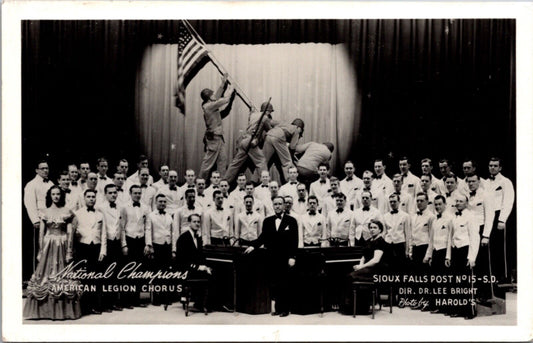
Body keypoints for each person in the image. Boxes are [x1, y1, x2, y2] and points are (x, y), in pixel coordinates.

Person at [23, 186, 82, 320]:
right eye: (53, 194)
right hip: (49, 244)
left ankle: (63, 309)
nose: (56, 196)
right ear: (50, 196)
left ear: (61, 196)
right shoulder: (44, 211)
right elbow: (41, 233)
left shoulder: (66, 211)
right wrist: (40, 250)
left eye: (58, 194)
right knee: (45, 274)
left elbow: (71, 230)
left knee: (63, 273)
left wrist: (69, 249)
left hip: (62, 243)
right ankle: (44, 311)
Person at [244, 196, 299, 317]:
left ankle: (285, 309)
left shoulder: (292, 221)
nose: (278, 206)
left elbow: (294, 241)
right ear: (273, 206)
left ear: (284, 205)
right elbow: (263, 237)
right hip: (272, 257)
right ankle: (278, 308)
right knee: (275, 283)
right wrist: (253, 246)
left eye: (280, 204)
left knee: (285, 283)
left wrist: (292, 257)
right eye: (275, 204)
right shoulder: (267, 221)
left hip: (285, 257)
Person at [342, 220, 388, 315]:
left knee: (350, 276)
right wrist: (359, 266)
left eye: (375, 228)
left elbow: (376, 260)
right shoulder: (368, 241)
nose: (372, 230)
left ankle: (361, 308)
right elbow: (363, 256)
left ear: (380, 230)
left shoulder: (380, 241)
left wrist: (361, 267)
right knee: (347, 274)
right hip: (367, 268)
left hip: (376, 270)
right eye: (370, 227)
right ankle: (352, 307)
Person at [72, 189, 107, 315]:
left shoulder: (100, 215)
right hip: (82, 247)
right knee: (84, 277)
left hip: (96, 248)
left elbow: (103, 234)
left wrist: (103, 251)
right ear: (84, 198)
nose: (91, 199)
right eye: (89, 197)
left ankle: (95, 305)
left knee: (96, 278)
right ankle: (84, 306)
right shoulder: (77, 214)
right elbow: (73, 233)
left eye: (93, 197)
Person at [224, 103, 273, 184]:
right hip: (251, 141)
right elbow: (270, 130)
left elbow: (251, 118)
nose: (270, 114)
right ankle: (266, 184)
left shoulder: (253, 115)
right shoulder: (265, 118)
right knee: (261, 161)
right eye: (270, 112)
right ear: (267, 111)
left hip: (243, 140)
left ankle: (224, 182)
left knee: (235, 164)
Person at [198, 73, 235, 180]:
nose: (214, 95)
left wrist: (223, 84)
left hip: (218, 137)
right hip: (214, 137)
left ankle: (221, 184)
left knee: (222, 161)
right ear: (209, 98)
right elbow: (225, 99)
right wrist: (231, 88)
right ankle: (200, 181)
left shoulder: (209, 104)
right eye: (212, 94)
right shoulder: (209, 106)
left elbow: (216, 97)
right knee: (208, 163)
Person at [174, 214, 214, 311]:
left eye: (198, 222)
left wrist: (206, 266)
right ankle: (201, 304)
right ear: (189, 223)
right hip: (185, 270)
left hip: (193, 268)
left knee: (213, 272)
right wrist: (199, 267)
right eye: (194, 222)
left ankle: (202, 302)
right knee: (207, 275)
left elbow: (200, 256)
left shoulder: (198, 238)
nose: (197, 224)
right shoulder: (183, 238)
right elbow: (182, 260)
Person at [448, 194, 478, 319]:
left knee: (466, 283)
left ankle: (469, 311)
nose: (458, 203)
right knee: (456, 282)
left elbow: (475, 237)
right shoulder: (453, 217)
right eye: (457, 201)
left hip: (465, 250)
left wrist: (472, 257)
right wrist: (448, 256)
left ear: (466, 203)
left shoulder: (471, 217)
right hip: (455, 250)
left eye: (461, 201)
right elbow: (450, 237)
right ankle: (458, 309)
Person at [120, 185, 150, 308]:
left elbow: (147, 227)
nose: (137, 195)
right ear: (130, 193)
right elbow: (121, 228)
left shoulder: (145, 207)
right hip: (129, 240)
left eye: (139, 193)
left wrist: (148, 244)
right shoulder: (124, 207)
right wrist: (124, 245)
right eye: (135, 193)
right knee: (127, 271)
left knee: (138, 271)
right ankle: (126, 300)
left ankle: (136, 299)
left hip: (140, 241)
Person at [466, 174, 495, 302]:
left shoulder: (485, 195)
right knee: (473, 263)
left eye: (473, 181)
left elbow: (490, 215)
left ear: (479, 181)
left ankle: (486, 294)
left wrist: (486, 235)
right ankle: (476, 292)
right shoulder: (467, 195)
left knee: (483, 264)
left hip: (482, 229)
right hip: (470, 230)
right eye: (469, 181)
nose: (471, 183)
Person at [23, 160, 54, 282]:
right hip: (39, 221)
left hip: (51, 220)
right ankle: (36, 278)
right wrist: (35, 220)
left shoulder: (51, 183)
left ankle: (48, 276)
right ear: (36, 170)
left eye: (47, 168)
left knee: (49, 247)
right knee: (39, 249)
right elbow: (29, 203)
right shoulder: (31, 184)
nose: (45, 170)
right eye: (42, 168)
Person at [486, 157, 515, 283]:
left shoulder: (505, 181)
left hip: (500, 216)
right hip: (489, 215)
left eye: (495, 165)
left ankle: (505, 277)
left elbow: (508, 201)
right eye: (491, 165)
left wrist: (502, 219)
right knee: (492, 247)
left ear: (500, 168)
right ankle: (495, 276)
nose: (492, 167)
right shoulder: (486, 182)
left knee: (502, 248)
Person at [96, 184, 124, 312]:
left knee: (115, 274)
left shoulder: (120, 208)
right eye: (110, 193)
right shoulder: (100, 208)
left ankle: (113, 302)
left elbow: (122, 228)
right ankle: (105, 303)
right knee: (105, 274)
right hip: (105, 243)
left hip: (116, 243)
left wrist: (123, 244)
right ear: (105, 194)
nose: (113, 195)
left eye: (115, 192)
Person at [145, 194, 176, 306]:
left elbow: (173, 233)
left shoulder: (169, 216)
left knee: (166, 273)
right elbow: (148, 231)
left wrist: (173, 249)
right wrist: (149, 246)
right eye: (160, 201)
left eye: (164, 202)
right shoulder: (151, 216)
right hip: (156, 246)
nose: (162, 203)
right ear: (156, 203)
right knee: (157, 273)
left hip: (167, 246)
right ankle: (156, 298)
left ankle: (165, 297)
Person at [424, 195, 453, 313]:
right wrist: (429, 255)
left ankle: (444, 307)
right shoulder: (434, 219)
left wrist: (448, 256)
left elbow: (450, 239)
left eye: (440, 204)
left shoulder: (450, 219)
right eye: (435, 204)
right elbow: (431, 239)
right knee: (434, 281)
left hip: (444, 252)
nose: (437, 206)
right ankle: (435, 305)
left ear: (445, 204)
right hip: (435, 252)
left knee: (443, 282)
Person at [263, 118, 305, 183]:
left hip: (269, 135)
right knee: (287, 163)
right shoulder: (297, 129)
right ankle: (290, 182)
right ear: (300, 127)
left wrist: (272, 131)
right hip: (279, 138)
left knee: (263, 162)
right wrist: (291, 156)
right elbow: (292, 147)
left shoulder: (283, 123)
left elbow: (266, 121)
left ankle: (257, 181)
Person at [382, 193, 411, 273]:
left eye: (394, 201)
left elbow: (407, 234)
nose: (392, 203)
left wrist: (408, 250)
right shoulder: (385, 216)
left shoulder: (405, 216)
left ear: (399, 202)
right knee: (389, 268)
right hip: (388, 245)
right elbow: (384, 233)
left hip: (400, 245)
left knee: (400, 268)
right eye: (391, 202)